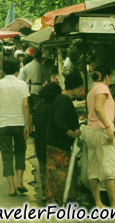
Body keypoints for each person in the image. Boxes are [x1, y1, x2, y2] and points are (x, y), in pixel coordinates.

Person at [0, 57, 30, 196]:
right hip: (19, 123)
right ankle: (20, 181)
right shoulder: (22, 84)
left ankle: (11, 187)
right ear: (18, 69)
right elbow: (25, 105)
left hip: (3, 123)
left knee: (6, 155)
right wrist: (27, 124)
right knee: (20, 152)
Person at [45, 72, 83, 204]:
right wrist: (71, 133)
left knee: (56, 172)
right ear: (76, 87)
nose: (81, 90)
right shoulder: (64, 100)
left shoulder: (61, 98)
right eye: (80, 87)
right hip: (59, 143)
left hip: (56, 142)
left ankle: (55, 199)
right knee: (58, 173)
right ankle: (55, 199)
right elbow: (58, 120)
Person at [86, 65, 115, 209]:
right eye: (110, 77)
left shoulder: (93, 89)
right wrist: (108, 127)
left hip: (91, 131)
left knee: (93, 169)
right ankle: (113, 204)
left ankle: (98, 203)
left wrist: (113, 108)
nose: (110, 80)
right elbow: (98, 108)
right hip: (101, 132)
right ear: (106, 77)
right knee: (108, 169)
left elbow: (100, 107)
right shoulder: (102, 88)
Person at [33, 82, 62, 202]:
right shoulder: (54, 106)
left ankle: (45, 193)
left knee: (43, 168)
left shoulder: (39, 105)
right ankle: (53, 194)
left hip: (39, 140)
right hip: (51, 140)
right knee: (53, 168)